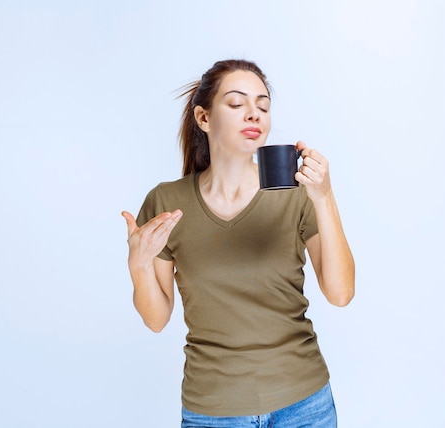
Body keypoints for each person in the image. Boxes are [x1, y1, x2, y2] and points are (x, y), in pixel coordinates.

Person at [121, 59, 355, 427]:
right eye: (236, 104)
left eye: (263, 105)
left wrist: (324, 197)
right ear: (204, 118)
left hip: (304, 405)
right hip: (212, 412)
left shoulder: (296, 194)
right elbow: (156, 319)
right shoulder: (166, 202)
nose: (254, 114)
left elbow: (341, 293)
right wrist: (138, 265)